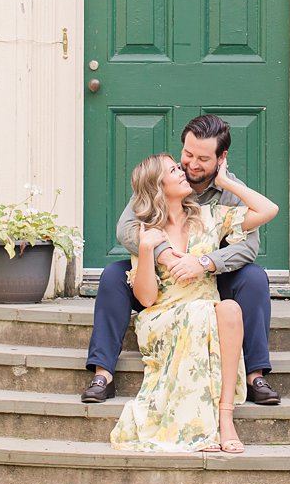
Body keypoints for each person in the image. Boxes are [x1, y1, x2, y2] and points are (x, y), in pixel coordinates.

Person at [81, 115, 282, 408]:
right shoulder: (166, 177)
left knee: (254, 278)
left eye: (202, 158)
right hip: (160, 279)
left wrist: (204, 262)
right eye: (187, 154)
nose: (191, 164)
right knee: (113, 275)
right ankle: (103, 373)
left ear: (221, 157)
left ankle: (255, 375)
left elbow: (248, 248)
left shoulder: (230, 193)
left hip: (210, 279)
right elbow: (127, 228)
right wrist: (161, 251)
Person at [107, 152, 279, 452]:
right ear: (158, 186)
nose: (183, 171)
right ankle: (203, 426)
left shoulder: (209, 216)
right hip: (164, 315)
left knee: (230, 308)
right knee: (203, 314)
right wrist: (147, 252)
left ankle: (225, 418)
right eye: (173, 170)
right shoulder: (147, 231)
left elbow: (268, 209)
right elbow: (146, 298)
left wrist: (227, 182)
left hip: (206, 309)